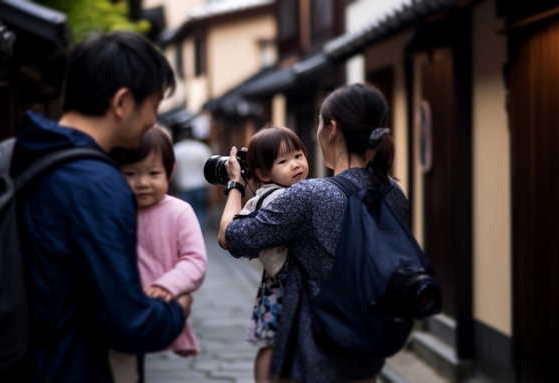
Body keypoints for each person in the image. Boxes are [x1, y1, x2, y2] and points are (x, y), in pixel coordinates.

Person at [12, 32, 192, 383]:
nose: (153, 120)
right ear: (123, 102)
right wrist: (177, 309)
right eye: (153, 106)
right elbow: (129, 322)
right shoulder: (98, 183)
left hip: (22, 359)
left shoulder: (21, 152)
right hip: (70, 366)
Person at [217, 83, 408, 383]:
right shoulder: (393, 191)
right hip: (367, 349)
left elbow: (232, 237)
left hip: (312, 355)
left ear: (331, 129)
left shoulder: (309, 195)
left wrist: (236, 186)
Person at [108, 126, 208, 382]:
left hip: (158, 304)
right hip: (118, 310)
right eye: (130, 173)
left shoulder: (179, 211)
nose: (142, 182)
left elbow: (194, 260)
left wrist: (167, 286)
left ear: (170, 170)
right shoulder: (113, 209)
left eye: (153, 173)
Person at [237, 126, 309, 383]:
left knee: (269, 340)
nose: (295, 165)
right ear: (263, 173)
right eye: (283, 161)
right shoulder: (282, 198)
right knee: (274, 342)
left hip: (272, 284)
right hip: (285, 285)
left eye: (298, 156)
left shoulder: (259, 197)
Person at [172, 127, 212, 229]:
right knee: (200, 211)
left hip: (184, 186)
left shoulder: (177, 149)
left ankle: (190, 233)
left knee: (187, 213)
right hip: (200, 185)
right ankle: (199, 232)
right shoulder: (202, 148)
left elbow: (174, 170)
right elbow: (209, 167)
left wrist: (176, 183)